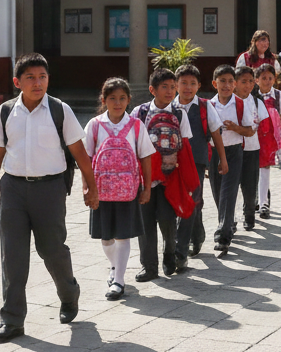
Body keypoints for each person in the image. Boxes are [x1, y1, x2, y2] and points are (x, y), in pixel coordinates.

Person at [0, 53, 98, 342]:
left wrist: (91, 186)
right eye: (31, 78)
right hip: (13, 190)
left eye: (42, 77)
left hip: (50, 189)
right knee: (13, 256)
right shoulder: (7, 111)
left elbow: (79, 152)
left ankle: (69, 293)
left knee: (52, 249)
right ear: (17, 82)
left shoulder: (60, 110)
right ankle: (12, 321)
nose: (38, 83)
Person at [84, 78, 154, 300]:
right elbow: (85, 159)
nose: (117, 103)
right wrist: (86, 188)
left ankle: (119, 281)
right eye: (112, 98)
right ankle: (115, 267)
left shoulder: (136, 126)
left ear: (129, 100)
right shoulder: (94, 125)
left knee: (123, 236)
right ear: (103, 100)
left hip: (128, 190)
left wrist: (147, 187)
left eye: (122, 98)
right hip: (101, 190)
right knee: (106, 239)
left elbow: (145, 157)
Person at [133, 68, 195, 280]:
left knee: (167, 219)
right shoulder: (139, 113)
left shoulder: (179, 114)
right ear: (152, 89)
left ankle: (170, 255)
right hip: (145, 178)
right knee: (145, 221)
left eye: (172, 86)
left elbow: (185, 147)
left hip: (170, 176)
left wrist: (189, 180)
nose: (170, 91)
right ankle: (149, 267)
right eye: (164, 87)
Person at [173, 64, 227, 259]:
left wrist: (222, 159)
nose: (188, 87)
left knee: (193, 198)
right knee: (184, 200)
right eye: (184, 83)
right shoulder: (170, 106)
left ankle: (181, 247)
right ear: (176, 85)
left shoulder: (205, 106)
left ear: (199, 86)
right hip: (173, 161)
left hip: (197, 159)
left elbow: (216, 134)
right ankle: (197, 234)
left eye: (192, 83)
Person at [209, 64, 255, 253]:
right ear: (214, 83)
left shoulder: (241, 104)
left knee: (228, 193)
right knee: (217, 192)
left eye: (230, 81)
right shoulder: (209, 105)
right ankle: (228, 221)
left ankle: (223, 236)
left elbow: (250, 131)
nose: (226, 85)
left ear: (234, 84)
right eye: (222, 81)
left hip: (234, 152)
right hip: (213, 153)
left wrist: (236, 128)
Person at [255, 63, 281, 218]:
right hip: (252, 135)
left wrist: (273, 118)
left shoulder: (279, 96)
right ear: (256, 80)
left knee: (264, 171)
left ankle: (264, 203)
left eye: (270, 78)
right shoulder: (251, 96)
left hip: (268, 138)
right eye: (263, 78)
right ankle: (252, 200)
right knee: (251, 171)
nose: (267, 81)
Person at [234, 66, 262, 230]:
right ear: (235, 83)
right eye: (243, 81)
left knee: (250, 184)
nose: (248, 85)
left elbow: (262, 124)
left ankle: (249, 214)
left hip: (251, 147)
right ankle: (232, 218)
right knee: (232, 185)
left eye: (251, 81)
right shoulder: (228, 100)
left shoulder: (256, 101)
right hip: (232, 148)